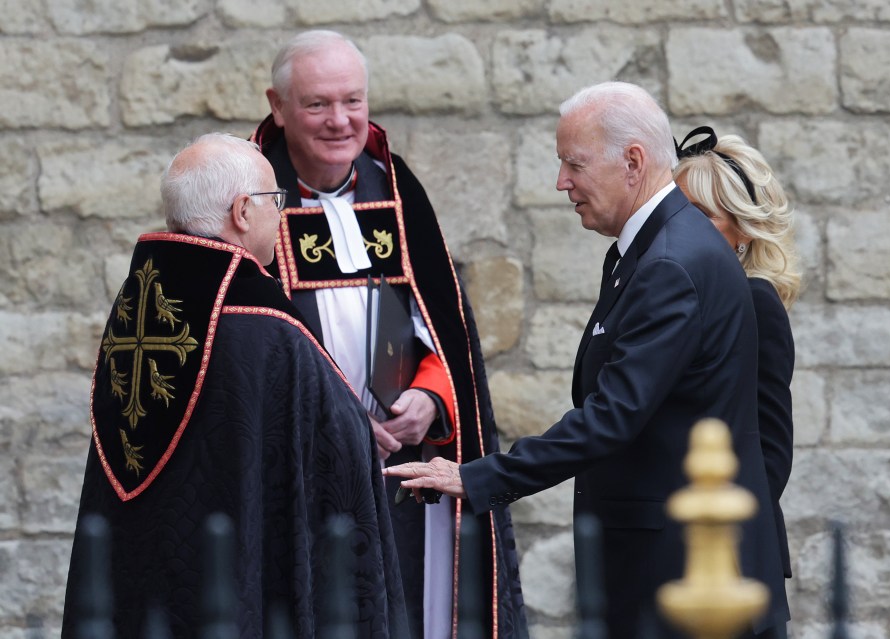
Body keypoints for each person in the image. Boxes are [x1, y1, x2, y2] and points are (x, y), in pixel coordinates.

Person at [385, 82, 790, 639]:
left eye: (574, 164)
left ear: (632, 162)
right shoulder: (647, 252)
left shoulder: (672, 262)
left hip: (684, 578)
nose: (561, 182)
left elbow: (612, 415)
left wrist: (478, 476)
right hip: (655, 569)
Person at [61, 133, 408, 638]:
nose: (281, 216)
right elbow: (337, 465)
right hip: (238, 583)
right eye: (275, 202)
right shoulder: (266, 330)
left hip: (150, 580)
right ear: (243, 212)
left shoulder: (138, 314)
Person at [252, 30, 525, 639]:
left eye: (353, 101)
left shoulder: (397, 188)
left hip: (403, 464)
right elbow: (245, 349)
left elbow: (442, 329)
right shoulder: (249, 197)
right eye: (318, 104)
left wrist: (430, 399)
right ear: (278, 105)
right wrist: (338, 424)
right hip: (302, 470)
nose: (340, 121)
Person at [674, 127, 802, 599]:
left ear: (743, 230)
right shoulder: (675, 294)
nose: (684, 227)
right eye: (679, 212)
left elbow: (771, 448)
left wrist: (722, 544)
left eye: (702, 215)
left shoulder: (755, 301)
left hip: (730, 560)